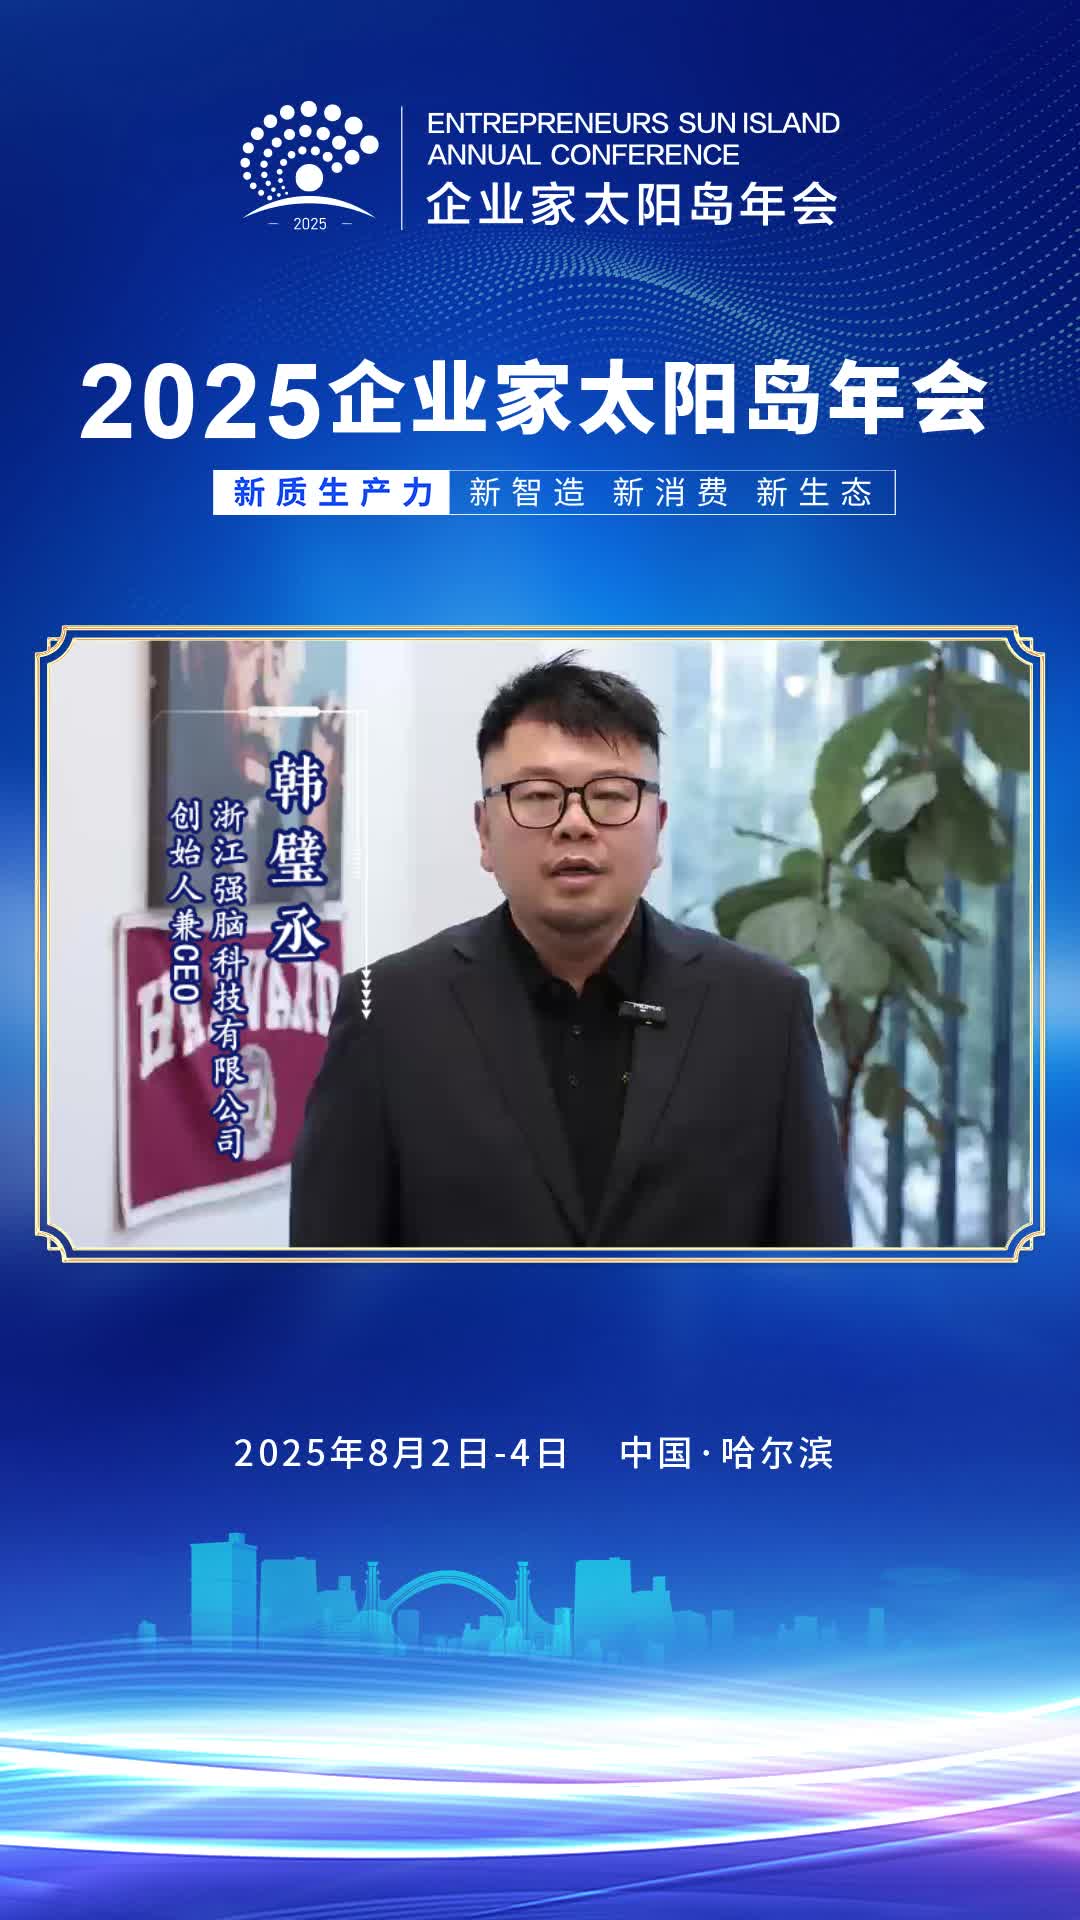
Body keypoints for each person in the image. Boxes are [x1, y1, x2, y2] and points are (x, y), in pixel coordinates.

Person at [289, 653, 851, 1249]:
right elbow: (329, 1273)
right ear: (484, 831)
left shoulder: (763, 1011)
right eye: (538, 795)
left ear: (658, 827)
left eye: (610, 795)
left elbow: (813, 1268)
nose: (575, 824)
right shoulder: (387, 1013)